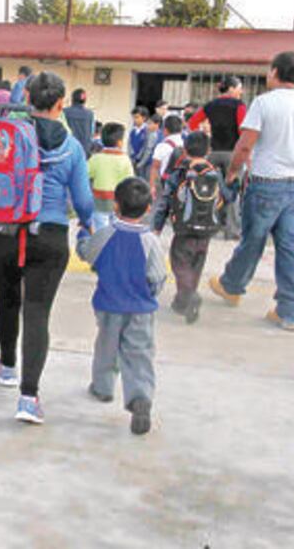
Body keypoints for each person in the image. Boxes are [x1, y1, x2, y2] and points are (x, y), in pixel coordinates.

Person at [0, 71, 95, 424]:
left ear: (27, 99)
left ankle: (6, 366)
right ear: (61, 104)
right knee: (37, 313)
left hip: (4, 232)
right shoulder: (72, 148)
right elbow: (83, 200)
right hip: (50, 238)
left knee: (7, 301)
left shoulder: (5, 137)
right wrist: (88, 224)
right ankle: (29, 398)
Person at [209, 51, 294, 332]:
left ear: (276, 72)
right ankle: (289, 312)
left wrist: (232, 171)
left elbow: (245, 144)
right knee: (291, 248)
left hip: (267, 183)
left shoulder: (264, 102)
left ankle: (232, 285)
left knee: (253, 241)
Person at [76, 177, 167, 435]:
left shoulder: (105, 235)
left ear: (115, 205)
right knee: (139, 352)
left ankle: (102, 388)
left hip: (108, 304)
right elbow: (157, 277)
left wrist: (83, 233)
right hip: (141, 308)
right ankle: (140, 397)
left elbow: (87, 253)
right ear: (148, 209)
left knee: (106, 346)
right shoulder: (150, 241)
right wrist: (149, 294)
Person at [160, 132, 233, 324]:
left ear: (185, 150)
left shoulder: (180, 172)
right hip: (207, 229)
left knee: (180, 262)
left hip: (184, 228)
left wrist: (157, 226)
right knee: (196, 263)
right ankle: (182, 301)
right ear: (208, 150)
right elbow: (227, 197)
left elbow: (165, 200)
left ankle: (189, 295)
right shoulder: (214, 173)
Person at [189, 75, 248, 239]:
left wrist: (204, 141)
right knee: (233, 191)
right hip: (232, 153)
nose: (241, 92)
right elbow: (242, 130)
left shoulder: (210, 105)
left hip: (213, 153)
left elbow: (192, 123)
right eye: (239, 88)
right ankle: (231, 230)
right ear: (232, 88)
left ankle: (210, 225)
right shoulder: (239, 106)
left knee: (211, 190)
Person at [88, 123, 134, 232]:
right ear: (120, 142)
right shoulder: (125, 160)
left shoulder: (96, 158)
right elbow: (130, 182)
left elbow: (85, 175)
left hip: (99, 202)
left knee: (100, 232)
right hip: (118, 203)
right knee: (116, 231)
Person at [64, 88, 96, 159]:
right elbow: (92, 132)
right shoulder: (90, 114)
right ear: (85, 100)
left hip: (68, 149)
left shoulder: (64, 112)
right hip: (84, 150)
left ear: (72, 99)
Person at [128, 107, 150, 174]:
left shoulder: (147, 131)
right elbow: (129, 144)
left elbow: (146, 147)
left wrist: (139, 157)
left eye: (137, 117)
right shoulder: (133, 130)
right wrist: (131, 155)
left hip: (143, 162)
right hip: (133, 160)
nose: (135, 120)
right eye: (133, 117)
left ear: (144, 118)